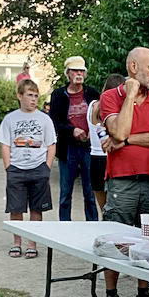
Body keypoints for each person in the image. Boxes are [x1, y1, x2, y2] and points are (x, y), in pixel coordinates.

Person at [98, 47, 149, 297]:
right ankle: (111, 296)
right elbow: (117, 129)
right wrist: (129, 96)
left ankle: (143, 295)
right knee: (115, 238)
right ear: (133, 67)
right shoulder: (110, 97)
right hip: (122, 180)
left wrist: (127, 141)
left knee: (148, 239)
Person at [0, 78, 56, 258]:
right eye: (29, 95)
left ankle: (32, 243)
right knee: (16, 208)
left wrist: (47, 167)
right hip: (16, 168)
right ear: (19, 96)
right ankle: (17, 242)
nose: (33, 99)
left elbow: (51, 144)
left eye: (36, 96)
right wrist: (9, 167)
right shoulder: (10, 119)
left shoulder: (44, 119)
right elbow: (5, 144)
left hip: (38, 168)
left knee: (36, 209)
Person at [48, 56, 99, 221]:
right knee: (65, 193)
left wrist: (94, 130)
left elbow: (102, 116)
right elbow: (54, 122)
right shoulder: (58, 95)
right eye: (75, 71)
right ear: (68, 74)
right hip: (67, 148)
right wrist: (72, 130)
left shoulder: (92, 93)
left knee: (90, 193)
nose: (79, 74)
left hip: (89, 147)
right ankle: (64, 229)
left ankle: (92, 228)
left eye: (82, 71)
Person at [86, 73, 124, 215]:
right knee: (116, 207)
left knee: (103, 208)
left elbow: (96, 130)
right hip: (112, 159)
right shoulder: (117, 111)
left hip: (95, 158)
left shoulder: (92, 106)